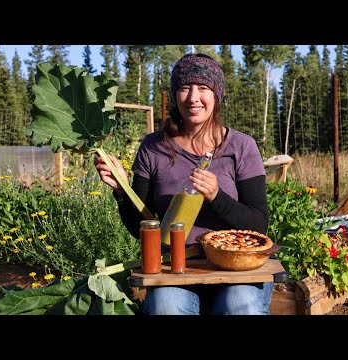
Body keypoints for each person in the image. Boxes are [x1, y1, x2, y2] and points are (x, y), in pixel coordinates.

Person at [95, 53, 272, 315]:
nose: (193, 98)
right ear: (175, 94)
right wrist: (122, 191)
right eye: (184, 88)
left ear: (217, 95)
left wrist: (217, 197)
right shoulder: (153, 148)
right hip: (173, 268)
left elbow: (259, 223)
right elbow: (142, 226)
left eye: (203, 88)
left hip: (235, 266)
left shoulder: (241, 147)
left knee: (241, 305)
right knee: (167, 307)